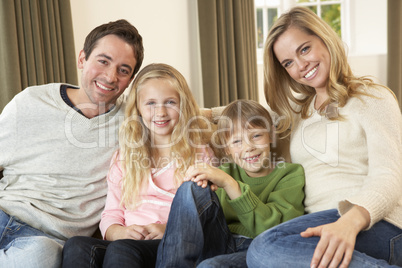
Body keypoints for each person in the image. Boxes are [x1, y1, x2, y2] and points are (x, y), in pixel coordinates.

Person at [246, 6, 402, 268]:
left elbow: (389, 175)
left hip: (376, 224)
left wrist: (348, 223)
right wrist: (188, 111)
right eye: (288, 63)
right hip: (314, 227)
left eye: (304, 49)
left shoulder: (372, 97)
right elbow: (244, 117)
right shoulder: (297, 114)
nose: (300, 65)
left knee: (262, 249)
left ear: (324, 38)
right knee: (214, 265)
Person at [0, 19, 144, 267]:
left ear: (130, 79)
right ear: (82, 59)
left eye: (123, 70)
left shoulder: (133, 121)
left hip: (45, 241)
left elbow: (187, 113)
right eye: (103, 61)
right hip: (5, 214)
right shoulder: (30, 102)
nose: (110, 76)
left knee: (38, 257)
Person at [62, 63, 215, 268]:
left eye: (170, 102)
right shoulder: (125, 157)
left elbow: (205, 212)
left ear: (183, 106)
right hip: (129, 240)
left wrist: (168, 229)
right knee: (77, 245)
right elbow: (111, 213)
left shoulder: (198, 154)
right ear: (138, 109)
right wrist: (119, 231)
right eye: (150, 103)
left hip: (173, 243)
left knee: (122, 249)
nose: (160, 112)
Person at [156, 99, 305, 267]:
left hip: (256, 249)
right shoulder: (224, 172)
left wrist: (229, 184)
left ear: (270, 135)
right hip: (219, 241)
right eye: (237, 142)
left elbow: (277, 230)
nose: (248, 147)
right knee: (191, 187)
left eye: (256, 136)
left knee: (209, 266)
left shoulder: (290, 174)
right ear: (227, 149)